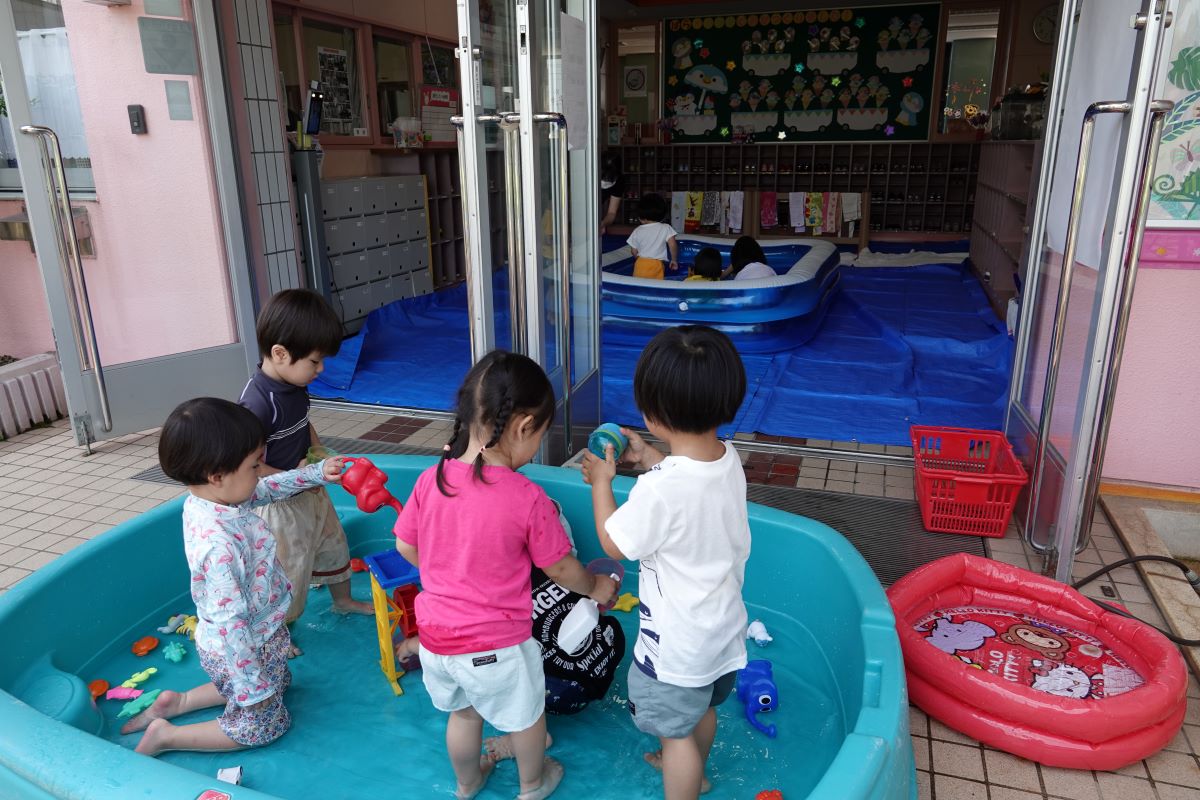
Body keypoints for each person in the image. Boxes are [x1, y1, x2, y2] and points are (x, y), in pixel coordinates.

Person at [393, 350, 618, 800]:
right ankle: (533, 784)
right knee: (527, 717)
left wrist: (447, 571)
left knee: (464, 715)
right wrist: (596, 586)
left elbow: (405, 547)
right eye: (541, 434)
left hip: (437, 641)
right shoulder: (525, 496)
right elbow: (559, 567)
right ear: (523, 426)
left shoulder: (431, 479)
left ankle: (467, 782)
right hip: (496, 645)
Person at [121, 397, 347, 756]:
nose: (260, 472)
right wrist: (250, 686)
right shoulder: (218, 546)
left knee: (279, 682)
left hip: (261, 631)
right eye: (255, 465)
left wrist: (316, 474)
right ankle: (167, 735)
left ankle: (178, 702)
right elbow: (230, 621)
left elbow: (269, 489)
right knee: (264, 725)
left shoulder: (214, 499)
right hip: (240, 646)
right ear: (217, 476)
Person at [581, 326, 751, 800]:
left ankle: (682, 772)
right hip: (722, 633)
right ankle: (699, 775)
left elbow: (614, 543)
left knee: (675, 737)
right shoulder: (727, 459)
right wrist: (652, 457)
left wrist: (602, 481)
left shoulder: (658, 490)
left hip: (677, 647)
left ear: (652, 414)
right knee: (703, 709)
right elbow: (688, 484)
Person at [239, 289, 371, 655]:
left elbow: (302, 424)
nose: (321, 369)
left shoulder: (295, 385)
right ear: (281, 353)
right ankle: (277, 632)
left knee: (333, 544)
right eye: (315, 361)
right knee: (289, 570)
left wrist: (318, 455)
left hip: (309, 487)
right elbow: (250, 465)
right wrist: (295, 477)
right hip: (278, 505)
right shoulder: (256, 403)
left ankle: (343, 600)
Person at [627, 194, 679, 280]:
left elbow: (633, 251)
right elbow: (673, 245)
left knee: (638, 286)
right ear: (663, 215)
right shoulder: (666, 227)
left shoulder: (637, 230)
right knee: (655, 286)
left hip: (639, 264)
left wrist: (639, 258)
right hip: (656, 265)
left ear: (641, 217)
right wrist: (674, 260)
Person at [600, 152, 625, 236]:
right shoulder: (587, 175)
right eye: (603, 177)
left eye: (609, 179)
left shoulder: (619, 181)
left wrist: (602, 224)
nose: (605, 182)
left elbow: (611, 213)